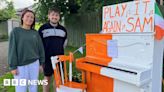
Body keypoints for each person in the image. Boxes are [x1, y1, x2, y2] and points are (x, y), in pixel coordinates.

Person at [8, 9, 45, 92]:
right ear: (22, 18)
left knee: (33, 88)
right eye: (27, 16)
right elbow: (12, 50)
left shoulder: (35, 33)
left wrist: (41, 63)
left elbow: (40, 48)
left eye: (32, 17)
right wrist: (13, 66)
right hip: (21, 66)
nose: (30, 19)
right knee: (21, 89)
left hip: (34, 64)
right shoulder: (15, 32)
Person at [38, 7, 67, 92]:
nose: (55, 17)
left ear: (59, 17)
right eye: (53, 15)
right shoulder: (43, 28)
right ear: (49, 16)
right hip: (47, 58)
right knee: (47, 77)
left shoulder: (63, 30)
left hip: (59, 58)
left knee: (57, 78)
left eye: (57, 15)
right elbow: (39, 44)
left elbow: (64, 44)